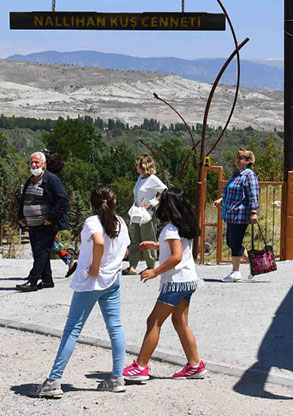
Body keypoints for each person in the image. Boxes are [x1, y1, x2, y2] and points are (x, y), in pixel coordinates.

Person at [31, 185, 131, 397]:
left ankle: (54, 380)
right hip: (113, 279)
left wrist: (94, 266)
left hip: (90, 283)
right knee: (115, 327)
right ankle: (117, 377)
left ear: (90, 205)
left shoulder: (92, 222)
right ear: (114, 203)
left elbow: (99, 242)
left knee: (72, 330)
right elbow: (125, 251)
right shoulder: (121, 223)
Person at [123, 188, 207, 382]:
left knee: (153, 322)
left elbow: (176, 256)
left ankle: (141, 367)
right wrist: (156, 246)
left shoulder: (170, 228)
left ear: (168, 206)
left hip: (175, 283)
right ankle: (195, 365)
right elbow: (178, 248)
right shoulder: (184, 226)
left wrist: (154, 272)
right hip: (189, 281)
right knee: (180, 321)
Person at [16, 151, 69, 292]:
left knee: (41, 252)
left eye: (36, 163)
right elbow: (23, 201)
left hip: (46, 225)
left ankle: (32, 281)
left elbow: (63, 200)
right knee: (39, 252)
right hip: (32, 224)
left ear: (44, 164)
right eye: (32, 162)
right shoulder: (30, 181)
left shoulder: (52, 180)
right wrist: (21, 217)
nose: (33, 165)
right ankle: (47, 280)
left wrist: (51, 218)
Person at [213, 149, 258, 283]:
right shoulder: (237, 174)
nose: (238, 161)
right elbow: (230, 190)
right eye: (237, 158)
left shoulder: (249, 175)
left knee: (235, 242)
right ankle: (253, 263)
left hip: (240, 214)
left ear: (248, 161)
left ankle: (236, 272)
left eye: (241, 158)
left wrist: (253, 212)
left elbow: (253, 194)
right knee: (231, 242)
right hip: (231, 214)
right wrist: (221, 200)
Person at [125, 155, 167, 275]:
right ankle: (132, 265)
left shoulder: (153, 179)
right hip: (138, 213)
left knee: (148, 238)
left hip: (148, 214)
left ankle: (150, 265)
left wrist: (151, 204)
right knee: (136, 239)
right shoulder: (140, 178)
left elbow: (165, 191)